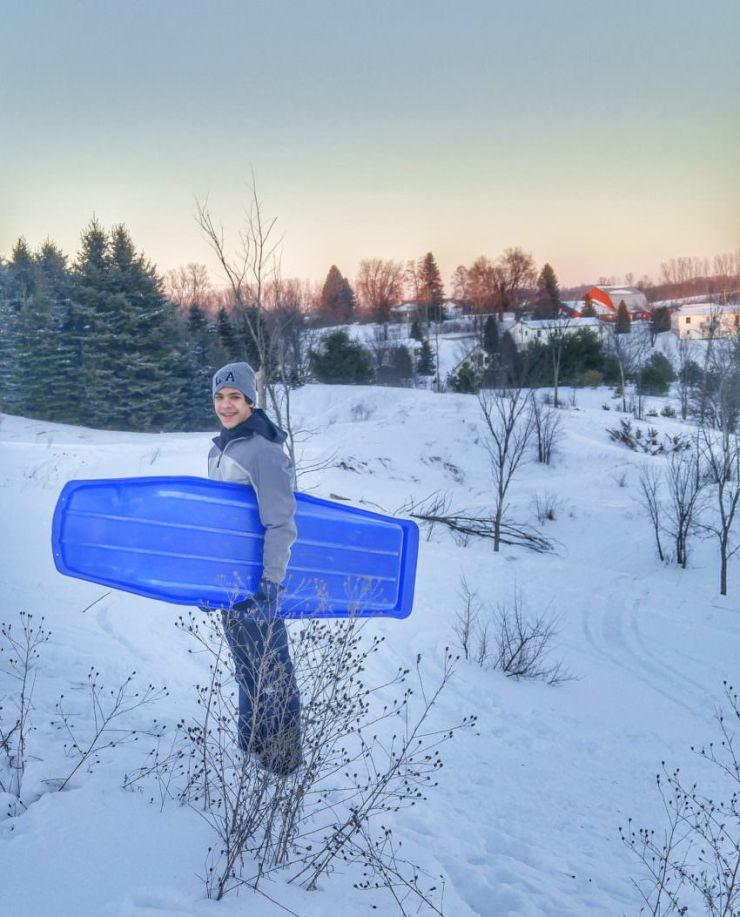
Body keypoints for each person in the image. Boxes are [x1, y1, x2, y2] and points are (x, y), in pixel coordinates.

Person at [208, 361, 301, 776]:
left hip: (259, 583)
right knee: (247, 667)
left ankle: (283, 760)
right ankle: (252, 747)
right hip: (230, 582)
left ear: (250, 401)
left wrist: (271, 584)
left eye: (235, 397)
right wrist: (206, 583)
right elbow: (218, 522)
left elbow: (281, 523)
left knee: (273, 670)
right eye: (220, 397)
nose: (226, 405)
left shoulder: (263, 451)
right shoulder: (219, 449)